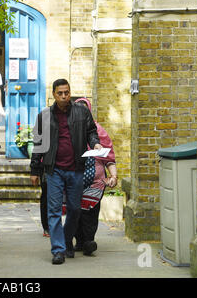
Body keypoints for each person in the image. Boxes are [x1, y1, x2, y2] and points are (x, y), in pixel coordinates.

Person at [30, 79, 102, 265]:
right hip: (54, 170)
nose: (64, 96)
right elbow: (38, 144)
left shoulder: (82, 112)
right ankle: (58, 250)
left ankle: (66, 239)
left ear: (70, 92)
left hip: (76, 169)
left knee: (74, 209)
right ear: (53, 94)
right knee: (53, 211)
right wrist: (35, 170)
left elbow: (91, 132)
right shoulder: (44, 116)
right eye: (60, 93)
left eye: (66, 93)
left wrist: (95, 142)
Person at [74, 97, 117, 256]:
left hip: (96, 182)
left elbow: (109, 158)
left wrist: (113, 175)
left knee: (91, 211)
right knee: (76, 211)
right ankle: (79, 241)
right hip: (74, 179)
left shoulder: (99, 131)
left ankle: (88, 241)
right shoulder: (68, 130)